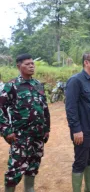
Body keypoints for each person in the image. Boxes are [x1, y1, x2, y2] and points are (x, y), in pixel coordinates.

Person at [0, 53, 50, 192]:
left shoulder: (38, 85)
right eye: (27, 64)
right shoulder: (12, 85)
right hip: (20, 136)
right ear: (18, 66)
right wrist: (6, 130)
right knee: (15, 169)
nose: (31, 66)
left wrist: (46, 129)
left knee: (33, 166)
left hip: (38, 135)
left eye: (32, 63)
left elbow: (44, 108)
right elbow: (1, 107)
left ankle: (29, 189)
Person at [65, 53, 90, 192]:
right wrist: (76, 129)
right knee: (80, 161)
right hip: (83, 130)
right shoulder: (75, 81)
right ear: (87, 63)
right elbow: (71, 108)